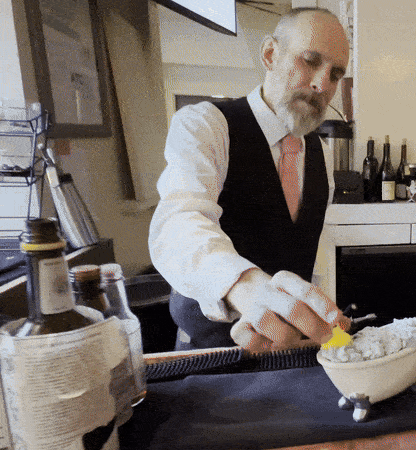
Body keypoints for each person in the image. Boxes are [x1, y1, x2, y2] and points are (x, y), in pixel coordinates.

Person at [149, 8, 351, 351]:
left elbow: (305, 253)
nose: (322, 85)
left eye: (335, 74)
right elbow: (178, 224)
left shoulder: (321, 154)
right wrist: (244, 285)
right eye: (310, 61)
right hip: (210, 352)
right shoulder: (205, 125)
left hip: (286, 352)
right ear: (270, 54)